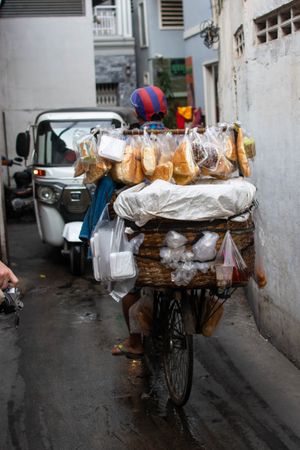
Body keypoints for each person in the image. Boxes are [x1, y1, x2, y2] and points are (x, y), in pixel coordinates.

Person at [111, 85, 168, 359]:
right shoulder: (174, 137)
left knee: (129, 281)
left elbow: (123, 178)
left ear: (138, 112)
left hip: (144, 222)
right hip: (173, 221)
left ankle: (135, 341)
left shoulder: (133, 141)